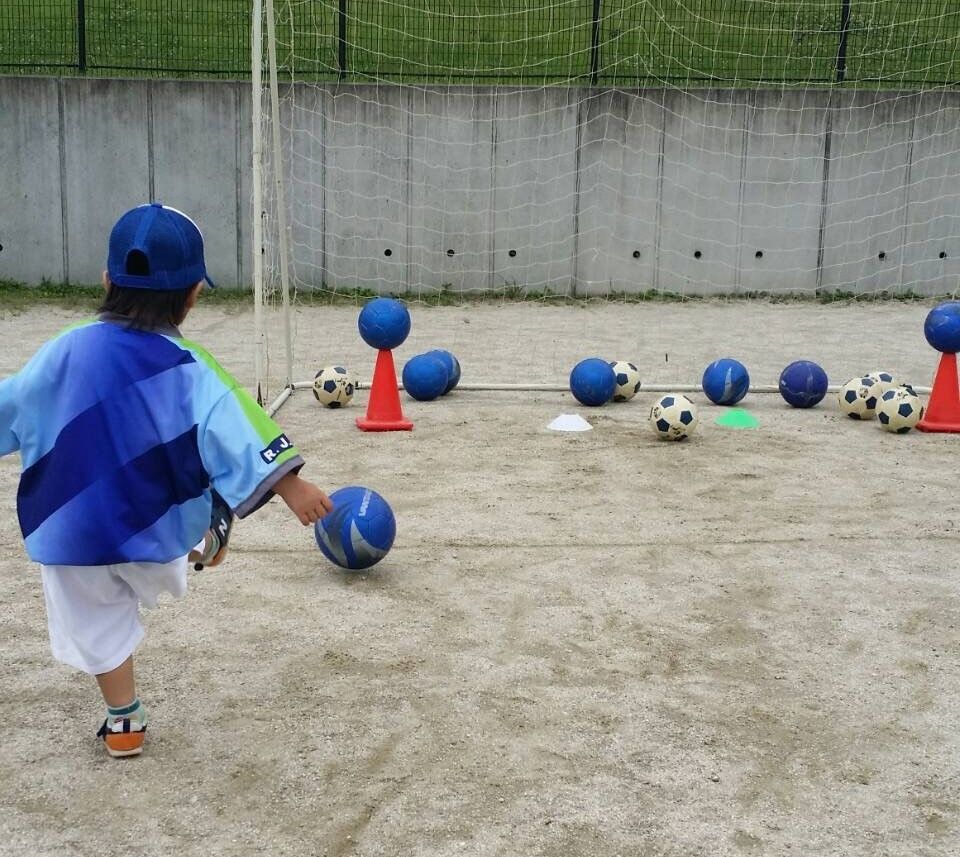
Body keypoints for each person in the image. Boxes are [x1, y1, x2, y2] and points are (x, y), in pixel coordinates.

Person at [0, 202, 333, 758]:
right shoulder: (190, 367)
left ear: (106, 278)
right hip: (159, 534)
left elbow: (12, 403)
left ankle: (124, 720)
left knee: (98, 625)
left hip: (71, 534)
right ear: (193, 294)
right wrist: (292, 486)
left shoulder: (64, 350)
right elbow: (239, 427)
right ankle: (207, 538)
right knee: (199, 497)